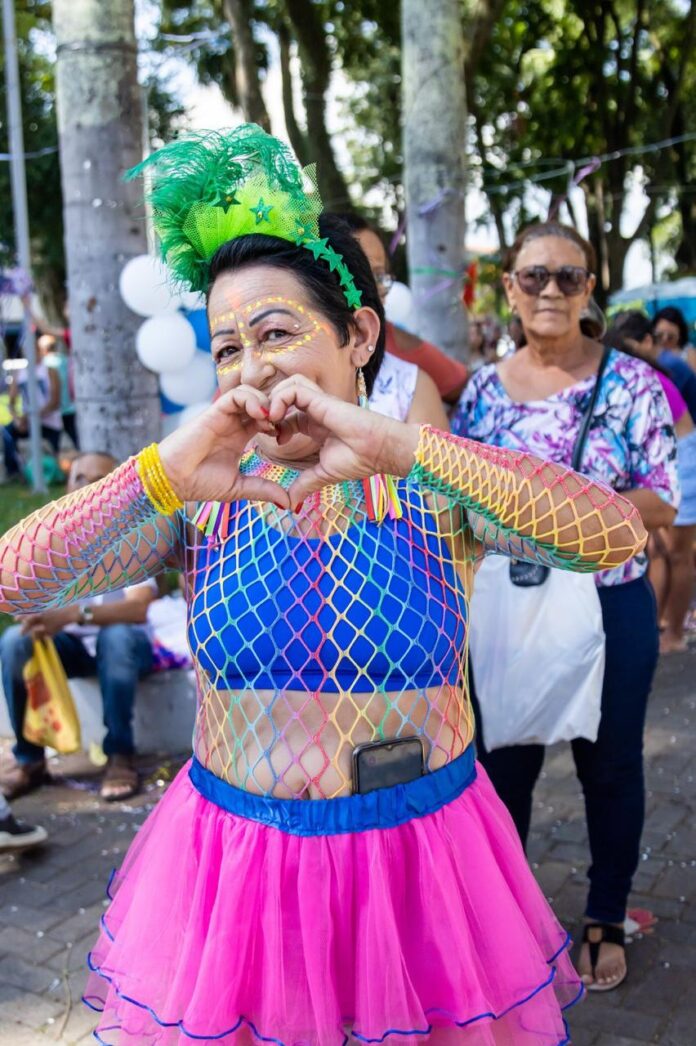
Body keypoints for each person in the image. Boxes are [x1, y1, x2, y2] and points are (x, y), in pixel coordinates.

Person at [0, 128, 647, 1044]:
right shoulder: (202, 503)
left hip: (424, 875)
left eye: (274, 334)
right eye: (226, 348)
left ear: (359, 337)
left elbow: (614, 535)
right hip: (234, 878)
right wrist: (160, 473)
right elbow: (12, 582)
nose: (252, 371)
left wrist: (408, 450)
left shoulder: (434, 491)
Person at [453, 222, 679, 994]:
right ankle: (506, 920)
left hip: (609, 605)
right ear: (508, 288)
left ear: (591, 291)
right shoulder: (481, 390)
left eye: (569, 278)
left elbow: (661, 500)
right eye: (534, 277)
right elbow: (455, 495)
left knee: (609, 768)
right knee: (501, 770)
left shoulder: (634, 385)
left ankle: (605, 914)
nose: (551, 291)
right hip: (508, 615)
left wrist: (568, 509)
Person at [0, 451, 157, 802]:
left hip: (126, 649)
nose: (84, 486)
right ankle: (30, 760)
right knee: (14, 642)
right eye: (78, 478)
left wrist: (73, 615)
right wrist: (34, 617)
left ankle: (120, 756)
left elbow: (137, 609)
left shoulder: (134, 537)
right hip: (71, 648)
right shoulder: (52, 544)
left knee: (116, 638)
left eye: (96, 479)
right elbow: (27, 597)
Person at [607, 311, 696, 653]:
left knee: (677, 555)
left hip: (683, 460)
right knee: (660, 553)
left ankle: (673, 633)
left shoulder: (651, 377)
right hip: (669, 461)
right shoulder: (640, 374)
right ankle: (659, 628)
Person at [336, 212, 469, 404]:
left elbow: (464, 388)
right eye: (355, 274)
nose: (371, 288)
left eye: (379, 275)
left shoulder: (405, 356)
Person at [3, 338, 63, 479]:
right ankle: (13, 471)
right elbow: (11, 402)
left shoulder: (49, 371)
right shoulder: (19, 373)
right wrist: (18, 419)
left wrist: (34, 416)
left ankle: (53, 475)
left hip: (48, 422)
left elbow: (55, 401)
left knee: (53, 455)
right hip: (27, 422)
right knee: (7, 432)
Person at [651, 306, 696, 422]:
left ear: (680, 335)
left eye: (670, 337)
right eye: (660, 335)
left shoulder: (688, 353)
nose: (664, 340)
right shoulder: (651, 353)